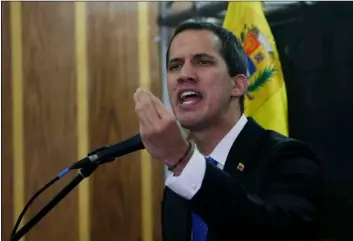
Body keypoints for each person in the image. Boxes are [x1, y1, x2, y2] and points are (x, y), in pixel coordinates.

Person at [133, 21, 321, 241]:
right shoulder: (179, 185)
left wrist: (182, 161)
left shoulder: (286, 158)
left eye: (202, 61)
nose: (184, 74)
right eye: (175, 66)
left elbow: (274, 233)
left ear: (238, 85)